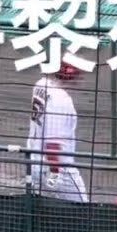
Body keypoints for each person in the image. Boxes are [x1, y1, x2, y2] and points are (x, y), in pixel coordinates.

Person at [27, 62, 88, 202]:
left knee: (44, 209)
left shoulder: (40, 85)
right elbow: (52, 144)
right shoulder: (61, 100)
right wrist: (55, 171)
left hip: (34, 162)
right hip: (57, 168)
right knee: (83, 210)